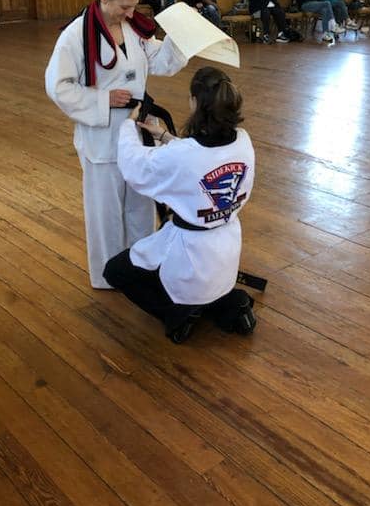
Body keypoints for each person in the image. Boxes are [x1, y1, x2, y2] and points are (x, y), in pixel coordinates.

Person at [45, 0, 188, 288]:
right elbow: (58, 87)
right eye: (124, 6)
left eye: (134, 5)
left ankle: (141, 267)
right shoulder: (75, 35)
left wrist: (180, 35)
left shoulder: (133, 28)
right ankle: (109, 274)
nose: (130, 12)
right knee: (105, 211)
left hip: (138, 129)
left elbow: (160, 61)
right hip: (103, 133)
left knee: (141, 203)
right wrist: (102, 99)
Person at [103, 66, 256, 343]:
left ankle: (178, 314)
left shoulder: (183, 155)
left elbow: (135, 165)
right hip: (226, 246)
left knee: (115, 271)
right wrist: (164, 137)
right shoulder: (243, 141)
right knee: (211, 284)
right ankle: (224, 304)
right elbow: (199, 159)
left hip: (191, 249)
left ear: (194, 102)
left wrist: (128, 126)